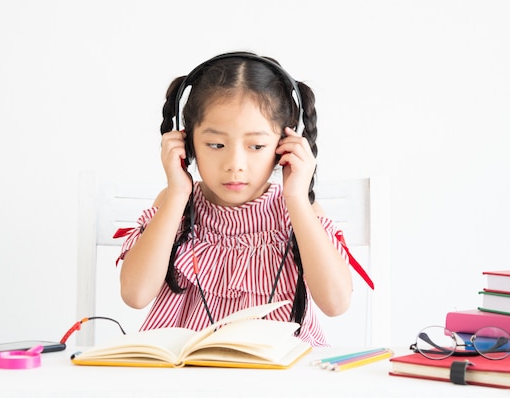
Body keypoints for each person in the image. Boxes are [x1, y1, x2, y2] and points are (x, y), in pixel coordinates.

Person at [116, 51, 353, 346]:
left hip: (280, 374)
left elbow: (336, 303)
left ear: (284, 144)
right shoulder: (174, 203)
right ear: (187, 143)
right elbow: (135, 295)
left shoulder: (298, 208)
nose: (235, 164)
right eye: (216, 144)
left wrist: (296, 198)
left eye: (256, 146)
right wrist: (177, 192)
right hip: (189, 370)